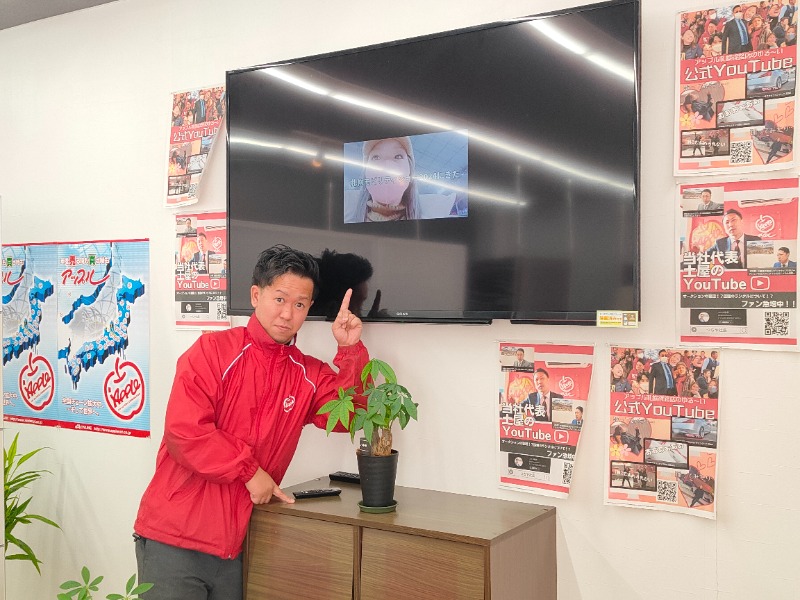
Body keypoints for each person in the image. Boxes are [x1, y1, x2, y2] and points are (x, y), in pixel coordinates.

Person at [133, 244, 369, 600]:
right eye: (280, 299)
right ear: (256, 295)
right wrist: (249, 472)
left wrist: (350, 350)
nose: (287, 314)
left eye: (300, 305)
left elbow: (351, 416)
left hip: (240, 547)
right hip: (174, 540)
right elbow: (186, 433)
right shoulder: (211, 351)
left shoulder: (307, 374)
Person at [345, 137, 420, 223]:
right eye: (376, 157)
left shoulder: (429, 212)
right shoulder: (346, 209)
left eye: (398, 156)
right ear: (366, 173)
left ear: (410, 171)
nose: (386, 166)